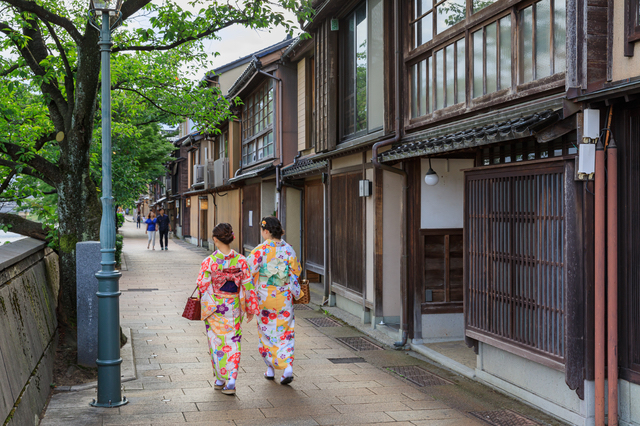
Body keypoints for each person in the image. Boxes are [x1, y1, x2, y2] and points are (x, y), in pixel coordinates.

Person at [196, 223, 259, 396]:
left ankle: (219, 378)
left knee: (216, 343)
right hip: (233, 308)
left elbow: (201, 284)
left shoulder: (209, 262)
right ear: (231, 238)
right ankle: (230, 380)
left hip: (215, 308)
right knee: (233, 342)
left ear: (215, 240)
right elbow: (248, 285)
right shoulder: (241, 260)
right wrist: (251, 308)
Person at [247, 216, 302, 385]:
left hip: (265, 297)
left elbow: (249, 270)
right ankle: (287, 368)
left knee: (266, 333)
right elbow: (296, 271)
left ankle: (270, 368)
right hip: (284, 296)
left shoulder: (259, 250)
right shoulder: (289, 250)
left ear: (266, 231)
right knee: (285, 332)